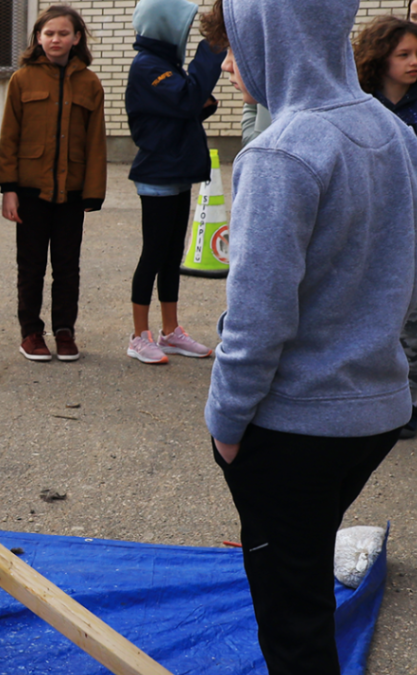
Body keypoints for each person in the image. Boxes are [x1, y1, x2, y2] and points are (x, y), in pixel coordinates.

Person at [201, 1, 417, 673]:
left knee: (294, 625)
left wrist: (225, 423)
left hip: (297, 428)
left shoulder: (280, 151)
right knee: (304, 569)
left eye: (239, 40)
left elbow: (257, 319)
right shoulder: (393, 131)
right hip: (376, 409)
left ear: (275, 34)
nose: (232, 60)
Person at [0, 5, 106, 362]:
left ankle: (64, 331)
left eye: (63, 33)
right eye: (48, 33)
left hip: (71, 194)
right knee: (30, 266)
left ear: (76, 39)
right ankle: (31, 332)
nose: (55, 39)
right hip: (31, 192)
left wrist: (93, 191)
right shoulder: (22, 80)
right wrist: (8, 189)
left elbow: (95, 142)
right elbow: (9, 139)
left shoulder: (89, 83)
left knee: (67, 266)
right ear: (38, 38)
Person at [124, 0, 223, 365]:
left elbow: (188, 103)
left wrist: (197, 101)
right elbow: (185, 100)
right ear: (166, 27)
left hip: (177, 173)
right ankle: (139, 336)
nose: (187, 34)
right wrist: (212, 48)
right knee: (153, 254)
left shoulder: (164, 64)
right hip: (157, 177)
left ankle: (170, 332)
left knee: (171, 257)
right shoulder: (146, 65)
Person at [355, 15, 417, 439]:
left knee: (413, 317)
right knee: (383, 313)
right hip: (377, 228)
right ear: (380, 59)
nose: (414, 62)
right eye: (404, 55)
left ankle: (409, 400)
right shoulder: (363, 107)